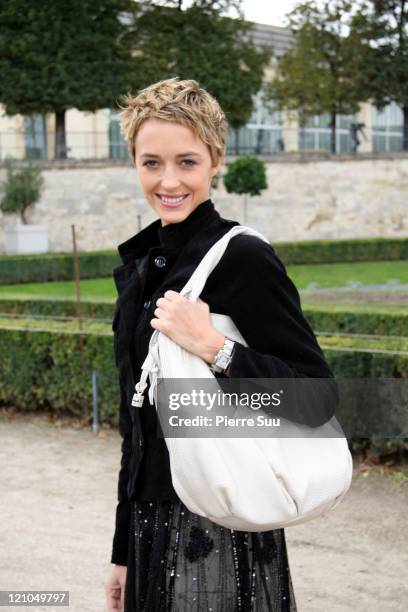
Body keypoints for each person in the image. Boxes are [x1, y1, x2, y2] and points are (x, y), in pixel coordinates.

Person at [105, 77, 337, 612]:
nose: (168, 181)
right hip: (148, 529)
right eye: (151, 163)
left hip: (222, 525)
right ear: (135, 163)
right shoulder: (141, 269)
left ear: (216, 160)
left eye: (186, 162)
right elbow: (133, 428)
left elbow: (316, 398)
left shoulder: (243, 258)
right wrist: (121, 552)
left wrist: (217, 348)